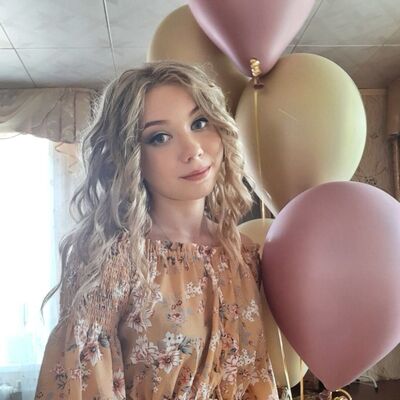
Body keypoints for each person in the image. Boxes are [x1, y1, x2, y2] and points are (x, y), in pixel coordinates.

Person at [35, 61, 279, 400]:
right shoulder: (111, 259)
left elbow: (255, 376)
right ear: (130, 155)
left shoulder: (243, 254)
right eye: (160, 137)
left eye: (199, 122)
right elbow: (81, 385)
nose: (192, 149)